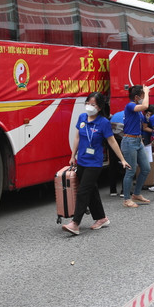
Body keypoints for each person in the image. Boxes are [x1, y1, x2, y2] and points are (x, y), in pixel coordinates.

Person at [64, 92, 130, 235]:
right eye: (88, 103)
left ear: (99, 107)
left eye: (93, 104)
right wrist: (72, 155)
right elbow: (77, 137)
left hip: (94, 163)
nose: (89, 106)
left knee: (83, 191)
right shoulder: (82, 118)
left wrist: (122, 159)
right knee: (92, 190)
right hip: (81, 160)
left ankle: (75, 223)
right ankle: (101, 218)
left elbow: (112, 141)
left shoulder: (104, 123)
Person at [120, 85, 152, 208]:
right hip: (129, 142)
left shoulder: (137, 111)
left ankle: (137, 194)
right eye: (143, 96)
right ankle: (127, 199)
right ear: (137, 97)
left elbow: (142, 124)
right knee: (130, 171)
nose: (144, 98)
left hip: (138, 141)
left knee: (146, 168)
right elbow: (145, 106)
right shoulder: (130, 105)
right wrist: (147, 92)